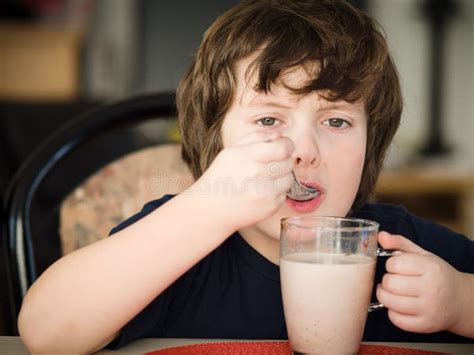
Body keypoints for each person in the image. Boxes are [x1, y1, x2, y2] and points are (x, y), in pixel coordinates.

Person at [18, 0, 474, 353]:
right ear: (217, 147)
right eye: (269, 121)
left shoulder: (399, 246)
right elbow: (44, 331)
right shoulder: (180, 242)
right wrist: (205, 207)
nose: (304, 152)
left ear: (371, 145)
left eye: (336, 122)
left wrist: (459, 303)